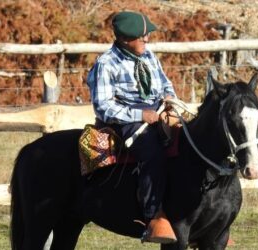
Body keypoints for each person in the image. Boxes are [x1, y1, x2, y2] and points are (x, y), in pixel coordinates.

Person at [86, 11, 177, 244]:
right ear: (126, 39)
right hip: (124, 122)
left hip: (156, 113)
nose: (147, 40)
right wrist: (139, 114)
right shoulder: (106, 64)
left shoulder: (149, 56)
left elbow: (165, 83)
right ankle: (153, 216)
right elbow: (103, 107)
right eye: (142, 36)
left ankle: (199, 214)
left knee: (187, 140)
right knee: (152, 152)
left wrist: (169, 98)